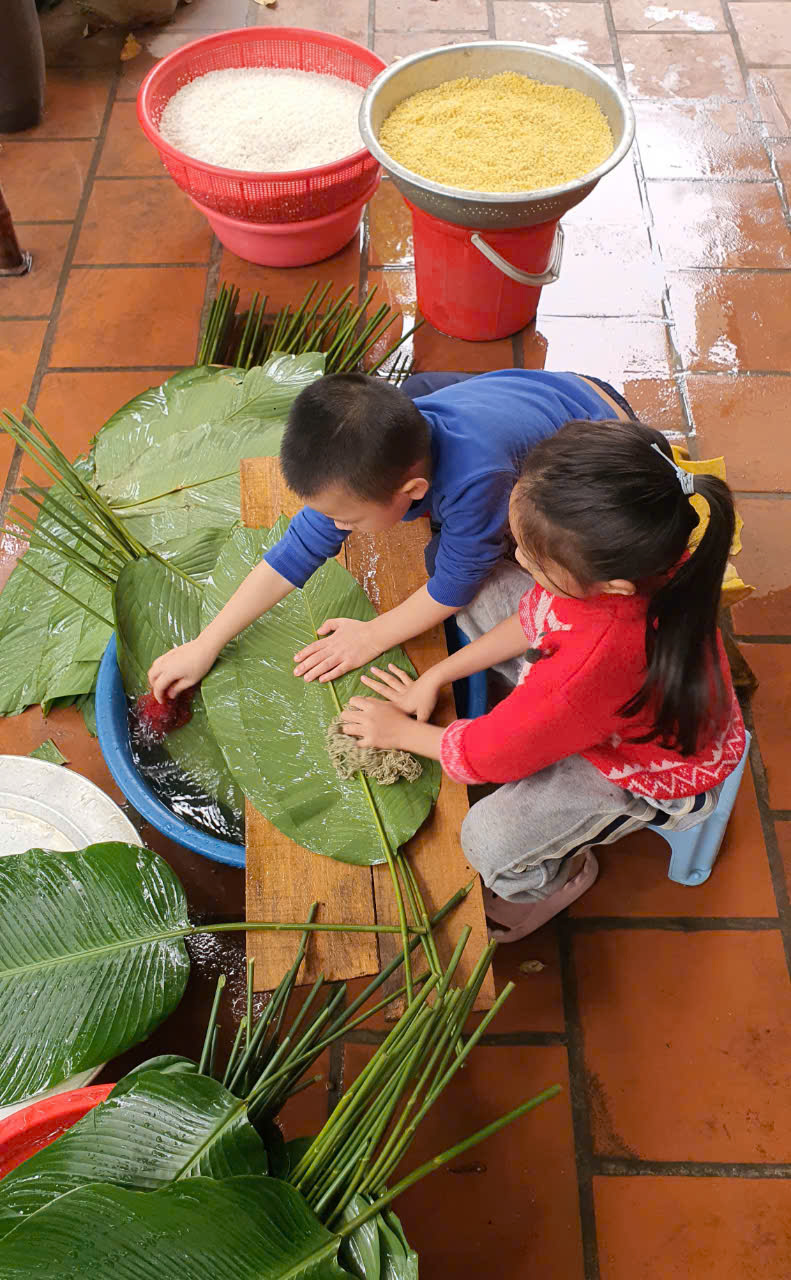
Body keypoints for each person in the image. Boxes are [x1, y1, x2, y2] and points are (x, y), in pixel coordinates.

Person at [339, 419, 746, 940]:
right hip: (620, 697)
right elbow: (538, 614)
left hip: (645, 770)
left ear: (611, 585)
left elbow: (487, 758)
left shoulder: (591, 668)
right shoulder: (641, 555)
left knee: (488, 841)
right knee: (483, 587)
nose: (520, 558)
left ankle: (559, 876)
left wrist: (397, 734)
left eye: (532, 559)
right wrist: (436, 674)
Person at [148, 368, 638, 702]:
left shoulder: (478, 480)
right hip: (548, 391)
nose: (339, 529)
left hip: (606, 439)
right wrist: (206, 642)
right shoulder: (376, 449)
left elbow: (454, 587)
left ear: (413, 489)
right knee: (423, 388)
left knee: (452, 559)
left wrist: (372, 636)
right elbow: (296, 551)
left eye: (349, 522)